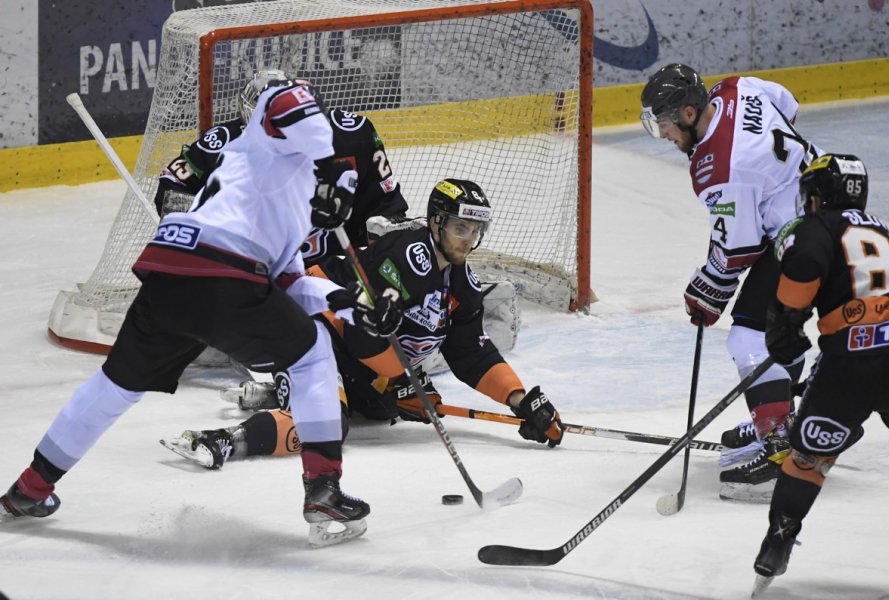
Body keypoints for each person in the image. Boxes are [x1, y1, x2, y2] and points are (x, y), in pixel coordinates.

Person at [0, 78, 404, 548]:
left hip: (173, 272)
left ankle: (30, 488)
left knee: (114, 386)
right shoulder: (263, 144)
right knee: (313, 355)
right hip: (224, 273)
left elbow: (292, 283)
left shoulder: (282, 193)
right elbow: (286, 102)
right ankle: (323, 488)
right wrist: (331, 164)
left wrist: (352, 304)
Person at [162, 178, 565, 470]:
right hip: (310, 324)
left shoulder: (462, 284)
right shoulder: (405, 256)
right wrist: (399, 377)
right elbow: (359, 331)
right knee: (329, 427)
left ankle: (284, 393)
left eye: (475, 230)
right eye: (461, 228)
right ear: (436, 222)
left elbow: (471, 353)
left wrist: (519, 399)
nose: (468, 240)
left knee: (379, 409)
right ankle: (224, 440)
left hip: (356, 357)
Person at [751, 153, 889, 592]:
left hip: (854, 364)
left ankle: (777, 543)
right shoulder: (888, 233)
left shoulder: (817, 227)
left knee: (810, 457)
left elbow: (805, 261)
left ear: (817, 196)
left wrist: (786, 324)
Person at [640, 63, 822, 502]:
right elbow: (789, 106)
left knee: (748, 337)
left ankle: (780, 449)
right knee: (780, 325)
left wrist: (705, 290)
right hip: (828, 206)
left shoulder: (717, 167)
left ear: (687, 114)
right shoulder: (736, 87)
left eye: (665, 125)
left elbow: (738, 249)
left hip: (802, 241)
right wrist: (771, 178)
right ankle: (782, 417)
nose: (663, 135)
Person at [155, 68, 410, 265]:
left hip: (336, 267)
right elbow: (173, 186)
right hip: (253, 271)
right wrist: (201, 227)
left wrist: (381, 245)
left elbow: (386, 208)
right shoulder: (221, 146)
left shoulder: (352, 136)